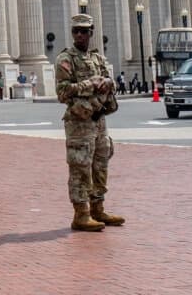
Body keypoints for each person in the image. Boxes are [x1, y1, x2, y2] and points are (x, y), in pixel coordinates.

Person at [54, 13, 125, 232]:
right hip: (79, 122)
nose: (79, 35)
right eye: (76, 31)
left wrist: (108, 82)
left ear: (91, 33)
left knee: (100, 164)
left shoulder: (98, 58)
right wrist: (91, 84)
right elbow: (62, 92)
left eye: (84, 31)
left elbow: (110, 81)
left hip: (99, 119)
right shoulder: (66, 59)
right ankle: (81, 214)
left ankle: (97, 208)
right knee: (80, 167)